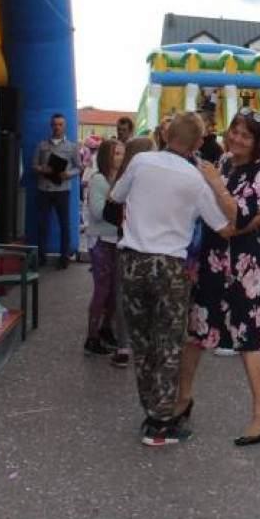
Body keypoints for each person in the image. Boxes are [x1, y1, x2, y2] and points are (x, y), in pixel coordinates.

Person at [108, 112, 237, 446]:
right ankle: (161, 422)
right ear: (198, 143)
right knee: (169, 343)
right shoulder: (195, 179)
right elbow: (224, 228)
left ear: (167, 136)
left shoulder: (141, 162)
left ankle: (150, 408)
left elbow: (116, 196)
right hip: (170, 266)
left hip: (133, 260)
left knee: (142, 342)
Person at [178, 108, 260, 446]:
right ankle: (183, 397)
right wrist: (254, 218)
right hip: (211, 259)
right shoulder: (223, 163)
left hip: (242, 268)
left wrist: (218, 187)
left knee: (248, 337)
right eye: (235, 130)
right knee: (196, 330)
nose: (237, 138)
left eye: (246, 135)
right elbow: (216, 215)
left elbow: (237, 218)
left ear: (258, 142)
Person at [104, 135, 156, 368]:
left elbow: (109, 211)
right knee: (150, 296)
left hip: (126, 242)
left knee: (125, 295)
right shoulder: (155, 179)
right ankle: (145, 345)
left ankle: (123, 347)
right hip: (152, 244)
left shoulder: (123, 178)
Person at [83, 139, 124, 357]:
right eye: (117, 154)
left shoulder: (120, 179)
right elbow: (98, 213)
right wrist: (116, 200)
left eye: (122, 154)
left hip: (116, 240)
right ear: (107, 157)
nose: (121, 157)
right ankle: (91, 336)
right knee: (102, 288)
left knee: (114, 289)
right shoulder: (98, 180)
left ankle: (106, 328)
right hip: (100, 239)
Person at [32, 113, 82, 270]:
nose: (57, 127)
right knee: (42, 225)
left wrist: (69, 174)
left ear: (65, 126)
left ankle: (64, 258)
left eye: (60, 124)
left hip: (62, 190)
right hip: (44, 189)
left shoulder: (72, 147)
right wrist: (42, 169)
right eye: (54, 124)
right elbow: (34, 165)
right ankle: (41, 257)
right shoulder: (42, 145)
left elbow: (79, 167)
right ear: (51, 126)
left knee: (64, 225)